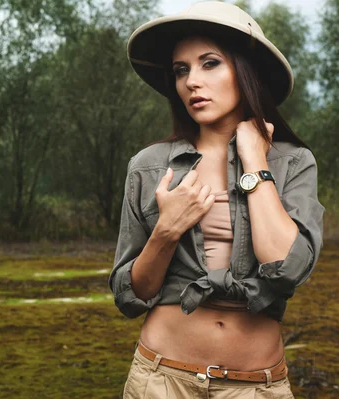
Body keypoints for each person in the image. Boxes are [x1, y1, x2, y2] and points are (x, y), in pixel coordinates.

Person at [108, 2, 325, 398]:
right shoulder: (149, 167)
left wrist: (255, 159)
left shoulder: (294, 163)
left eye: (209, 63)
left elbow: (286, 267)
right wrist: (167, 230)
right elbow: (131, 296)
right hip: (161, 379)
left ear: (246, 72)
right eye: (181, 70)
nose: (192, 81)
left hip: (256, 387)